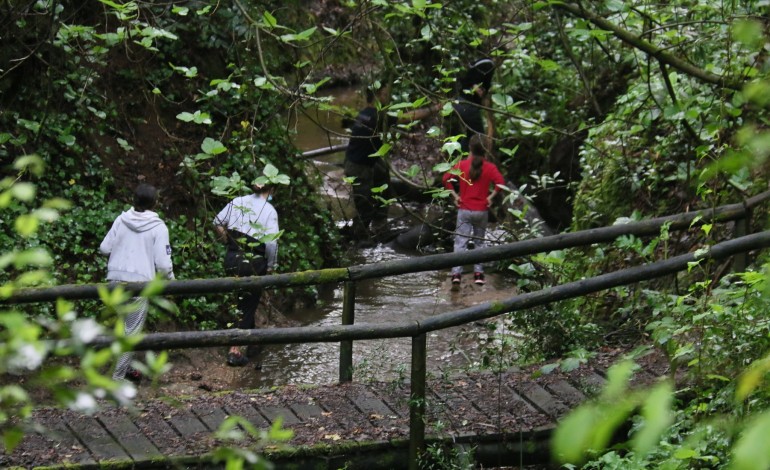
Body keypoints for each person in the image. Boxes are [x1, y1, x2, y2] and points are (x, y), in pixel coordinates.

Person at [344, 82, 440, 239]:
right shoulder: (377, 115)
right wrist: (433, 109)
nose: (386, 97)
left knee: (383, 179)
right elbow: (408, 117)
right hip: (358, 166)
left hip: (370, 161)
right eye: (384, 94)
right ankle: (359, 238)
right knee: (365, 205)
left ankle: (379, 224)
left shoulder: (366, 113)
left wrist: (407, 136)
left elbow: (384, 128)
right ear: (378, 96)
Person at [100, 183, 175, 383]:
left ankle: (124, 370)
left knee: (122, 328)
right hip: (138, 284)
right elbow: (164, 265)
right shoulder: (158, 227)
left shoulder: (121, 220)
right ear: (155, 203)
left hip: (114, 281)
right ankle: (116, 379)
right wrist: (172, 283)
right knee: (131, 332)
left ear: (133, 200)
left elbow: (104, 248)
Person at [213, 181, 279, 367]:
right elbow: (272, 243)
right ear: (272, 189)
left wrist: (228, 240)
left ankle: (252, 342)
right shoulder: (269, 210)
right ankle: (235, 350)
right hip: (254, 261)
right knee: (248, 304)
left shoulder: (238, 201)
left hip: (232, 257)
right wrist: (272, 265)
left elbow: (217, 222)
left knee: (242, 301)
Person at [442, 134, 505, 287]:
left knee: (460, 243)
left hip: (464, 210)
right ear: (486, 149)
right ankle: (478, 274)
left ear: (469, 148)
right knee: (479, 242)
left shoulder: (462, 165)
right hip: (482, 211)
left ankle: (456, 274)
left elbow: (445, 178)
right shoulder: (490, 167)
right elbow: (501, 183)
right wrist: (491, 197)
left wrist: (455, 196)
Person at [447, 58, 496, 154]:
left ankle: (456, 154)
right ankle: (471, 161)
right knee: (479, 138)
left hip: (459, 101)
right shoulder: (488, 65)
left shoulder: (481, 63)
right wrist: (477, 88)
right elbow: (471, 80)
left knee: (470, 135)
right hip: (468, 105)